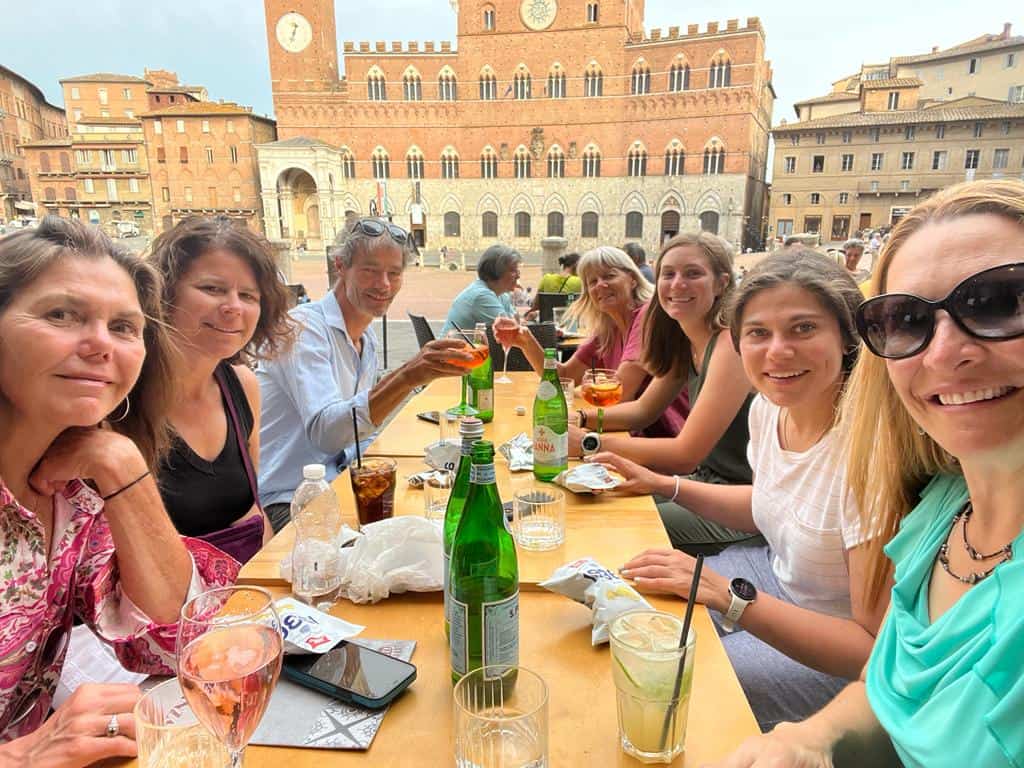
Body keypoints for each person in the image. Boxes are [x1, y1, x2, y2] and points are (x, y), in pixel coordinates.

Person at [710, 180, 1024, 768]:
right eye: (907, 318)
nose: (944, 352)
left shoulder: (871, 467)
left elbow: (868, 646)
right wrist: (813, 737)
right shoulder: (942, 513)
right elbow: (892, 682)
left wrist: (732, 600)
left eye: (1003, 301)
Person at [597, 250, 887, 731]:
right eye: (758, 333)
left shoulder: (869, 453)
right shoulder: (770, 409)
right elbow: (767, 506)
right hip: (774, 580)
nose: (777, 351)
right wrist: (664, 486)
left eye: (803, 328)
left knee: (663, 686)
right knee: (632, 615)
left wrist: (730, 597)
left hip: (844, 667)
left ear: (847, 336)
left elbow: (872, 649)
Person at [0, 217, 238, 761]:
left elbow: (176, 643)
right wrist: (21, 756)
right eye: (63, 315)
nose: (100, 344)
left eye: (125, 327)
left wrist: (122, 465)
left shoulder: (75, 498)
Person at [258, 217, 470, 531]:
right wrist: (407, 376)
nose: (383, 284)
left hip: (342, 483)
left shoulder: (365, 339)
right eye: (370, 270)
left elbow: (356, 439)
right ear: (340, 266)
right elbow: (327, 434)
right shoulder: (302, 329)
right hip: (290, 500)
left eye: (394, 273)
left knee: (442, 518)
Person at [570, 233, 757, 554]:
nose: (677, 284)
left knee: (611, 524)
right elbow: (642, 410)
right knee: (587, 503)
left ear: (722, 283)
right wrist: (581, 417)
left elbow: (686, 453)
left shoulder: (730, 343)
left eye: (693, 273)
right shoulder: (684, 340)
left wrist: (590, 442)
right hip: (704, 482)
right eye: (668, 274)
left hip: (744, 503)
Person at [148, 217, 298, 562]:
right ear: (164, 293)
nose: (233, 307)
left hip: (238, 599)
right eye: (212, 289)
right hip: (162, 608)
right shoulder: (122, 398)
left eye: (248, 295)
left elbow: (254, 517)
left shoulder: (242, 386)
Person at [500, 246, 653, 400]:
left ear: (633, 280)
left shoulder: (647, 315)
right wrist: (526, 342)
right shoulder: (607, 329)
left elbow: (621, 393)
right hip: (620, 422)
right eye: (592, 281)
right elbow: (564, 377)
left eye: (609, 276)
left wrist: (580, 395)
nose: (600, 284)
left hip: (653, 424)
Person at [440, 244, 522, 336]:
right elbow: (510, 333)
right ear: (496, 271)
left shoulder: (502, 295)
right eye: (513, 271)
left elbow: (516, 325)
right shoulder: (481, 296)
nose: (518, 276)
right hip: (455, 349)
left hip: (473, 348)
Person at [527, 252, 582, 319]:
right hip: (569, 323)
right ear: (577, 266)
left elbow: (535, 306)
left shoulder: (546, 278)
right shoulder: (580, 282)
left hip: (547, 322)